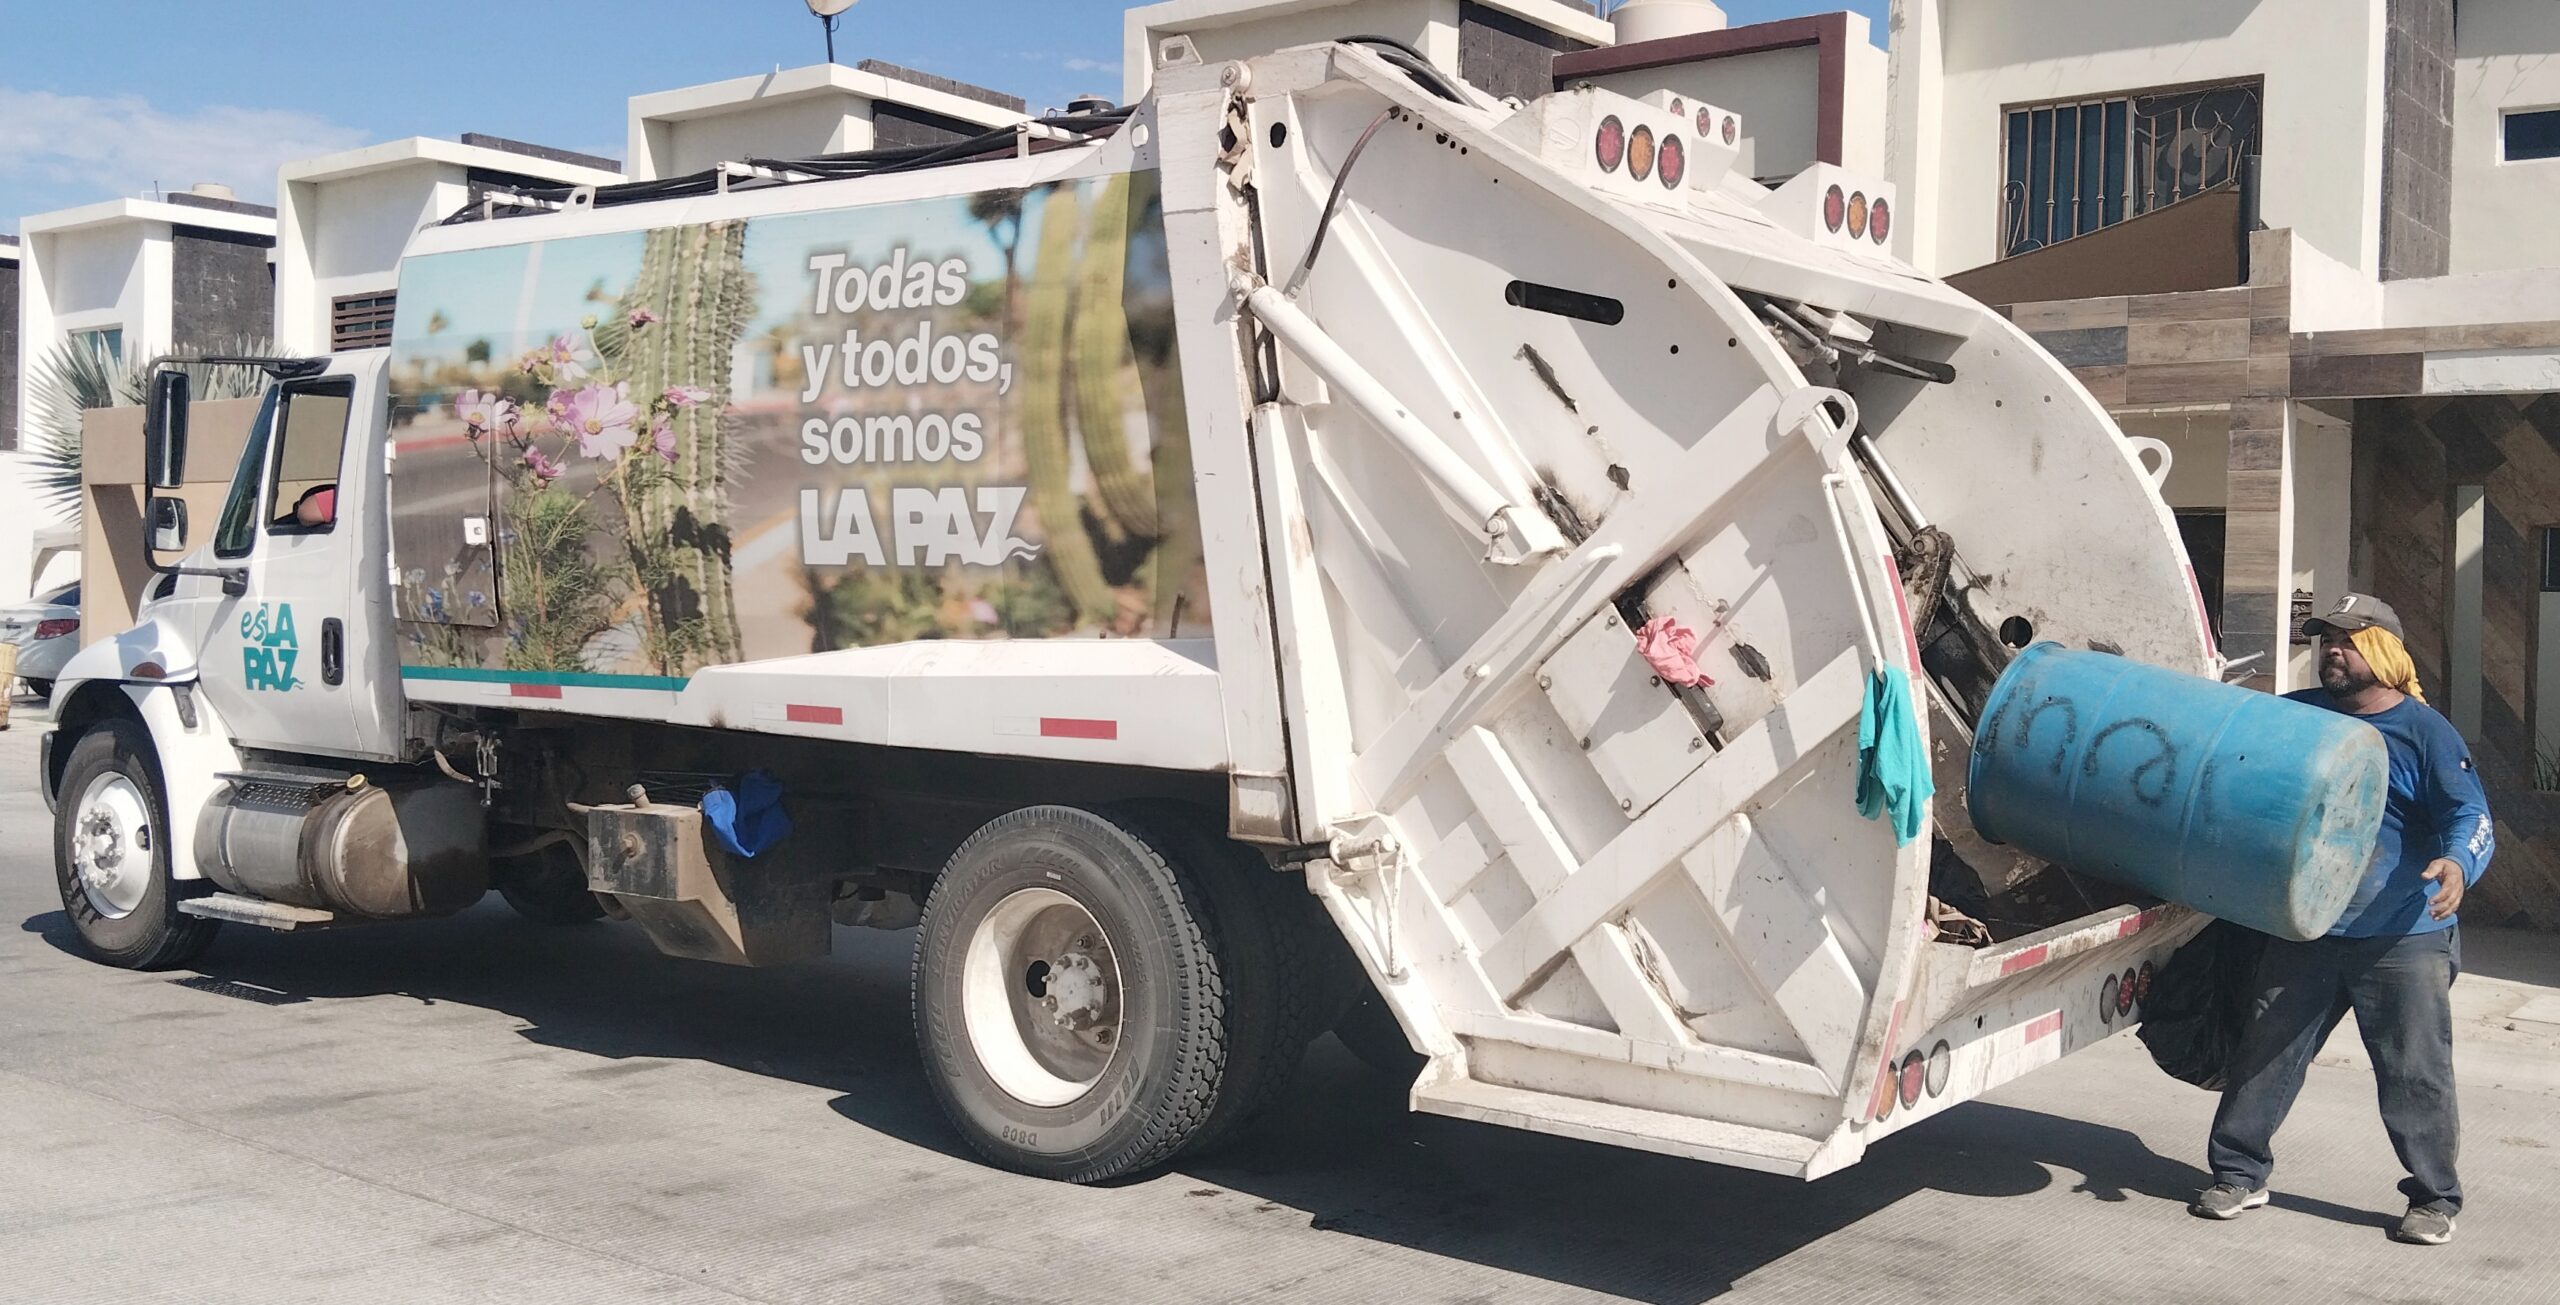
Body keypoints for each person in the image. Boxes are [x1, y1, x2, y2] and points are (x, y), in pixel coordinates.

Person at [2191, 593, 2493, 1245]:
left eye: (2348, 640)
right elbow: (2229, 754)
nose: (2332, 649)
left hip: (2403, 935)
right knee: (2264, 1054)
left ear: (2384, 651)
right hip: (2308, 926)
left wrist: (2457, 864)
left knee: (2415, 1073)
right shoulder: (2297, 714)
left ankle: (2434, 1198)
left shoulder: (2426, 732)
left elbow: (2470, 814)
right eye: (2326, 638)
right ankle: (2239, 1173)